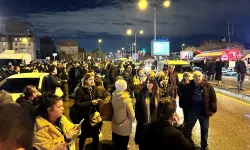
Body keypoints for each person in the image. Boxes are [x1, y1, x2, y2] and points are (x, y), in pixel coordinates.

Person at [184, 71, 217, 150]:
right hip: (193, 111)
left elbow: (213, 99)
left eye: (199, 76)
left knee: (205, 129)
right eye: (196, 76)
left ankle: (204, 146)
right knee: (188, 128)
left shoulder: (208, 86)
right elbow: (184, 97)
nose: (198, 78)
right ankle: (188, 144)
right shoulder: (189, 86)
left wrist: (213, 110)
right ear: (193, 78)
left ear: (201, 77)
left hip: (204, 112)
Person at [74, 73, 102, 150]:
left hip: (94, 115)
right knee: (84, 135)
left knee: (95, 134)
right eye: (90, 79)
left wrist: (98, 100)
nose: (92, 81)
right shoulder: (79, 89)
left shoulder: (93, 88)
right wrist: (90, 103)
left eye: (93, 79)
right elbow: (78, 104)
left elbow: (96, 97)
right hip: (84, 116)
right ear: (85, 80)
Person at [135, 77, 160, 145]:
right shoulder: (142, 93)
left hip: (155, 120)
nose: (148, 84)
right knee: (143, 140)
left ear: (154, 84)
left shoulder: (158, 93)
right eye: (147, 82)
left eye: (150, 83)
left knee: (152, 141)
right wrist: (138, 118)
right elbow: (137, 107)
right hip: (144, 120)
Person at [112, 79, 135, 150]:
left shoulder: (113, 96)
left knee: (117, 144)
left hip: (115, 123)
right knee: (123, 144)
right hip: (125, 126)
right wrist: (133, 119)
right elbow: (132, 115)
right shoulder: (127, 99)